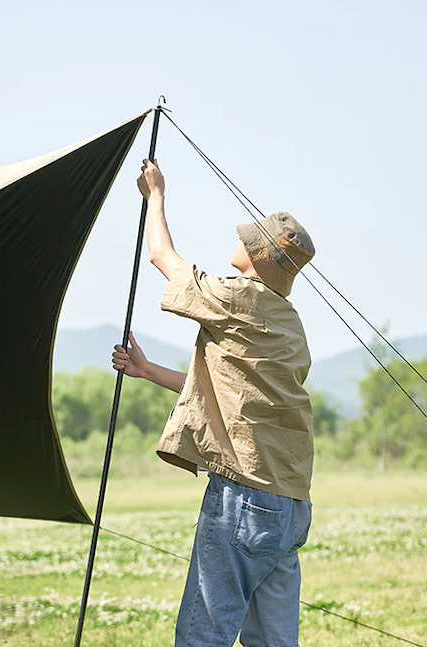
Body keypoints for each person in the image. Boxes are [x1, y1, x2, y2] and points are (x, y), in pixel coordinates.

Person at [111, 158, 317, 647]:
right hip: (290, 505)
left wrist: (155, 194)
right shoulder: (290, 323)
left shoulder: (238, 298)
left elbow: (164, 257)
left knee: (204, 636)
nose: (242, 242)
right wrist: (148, 371)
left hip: (245, 499)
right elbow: (231, 393)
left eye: (253, 241)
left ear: (260, 258)